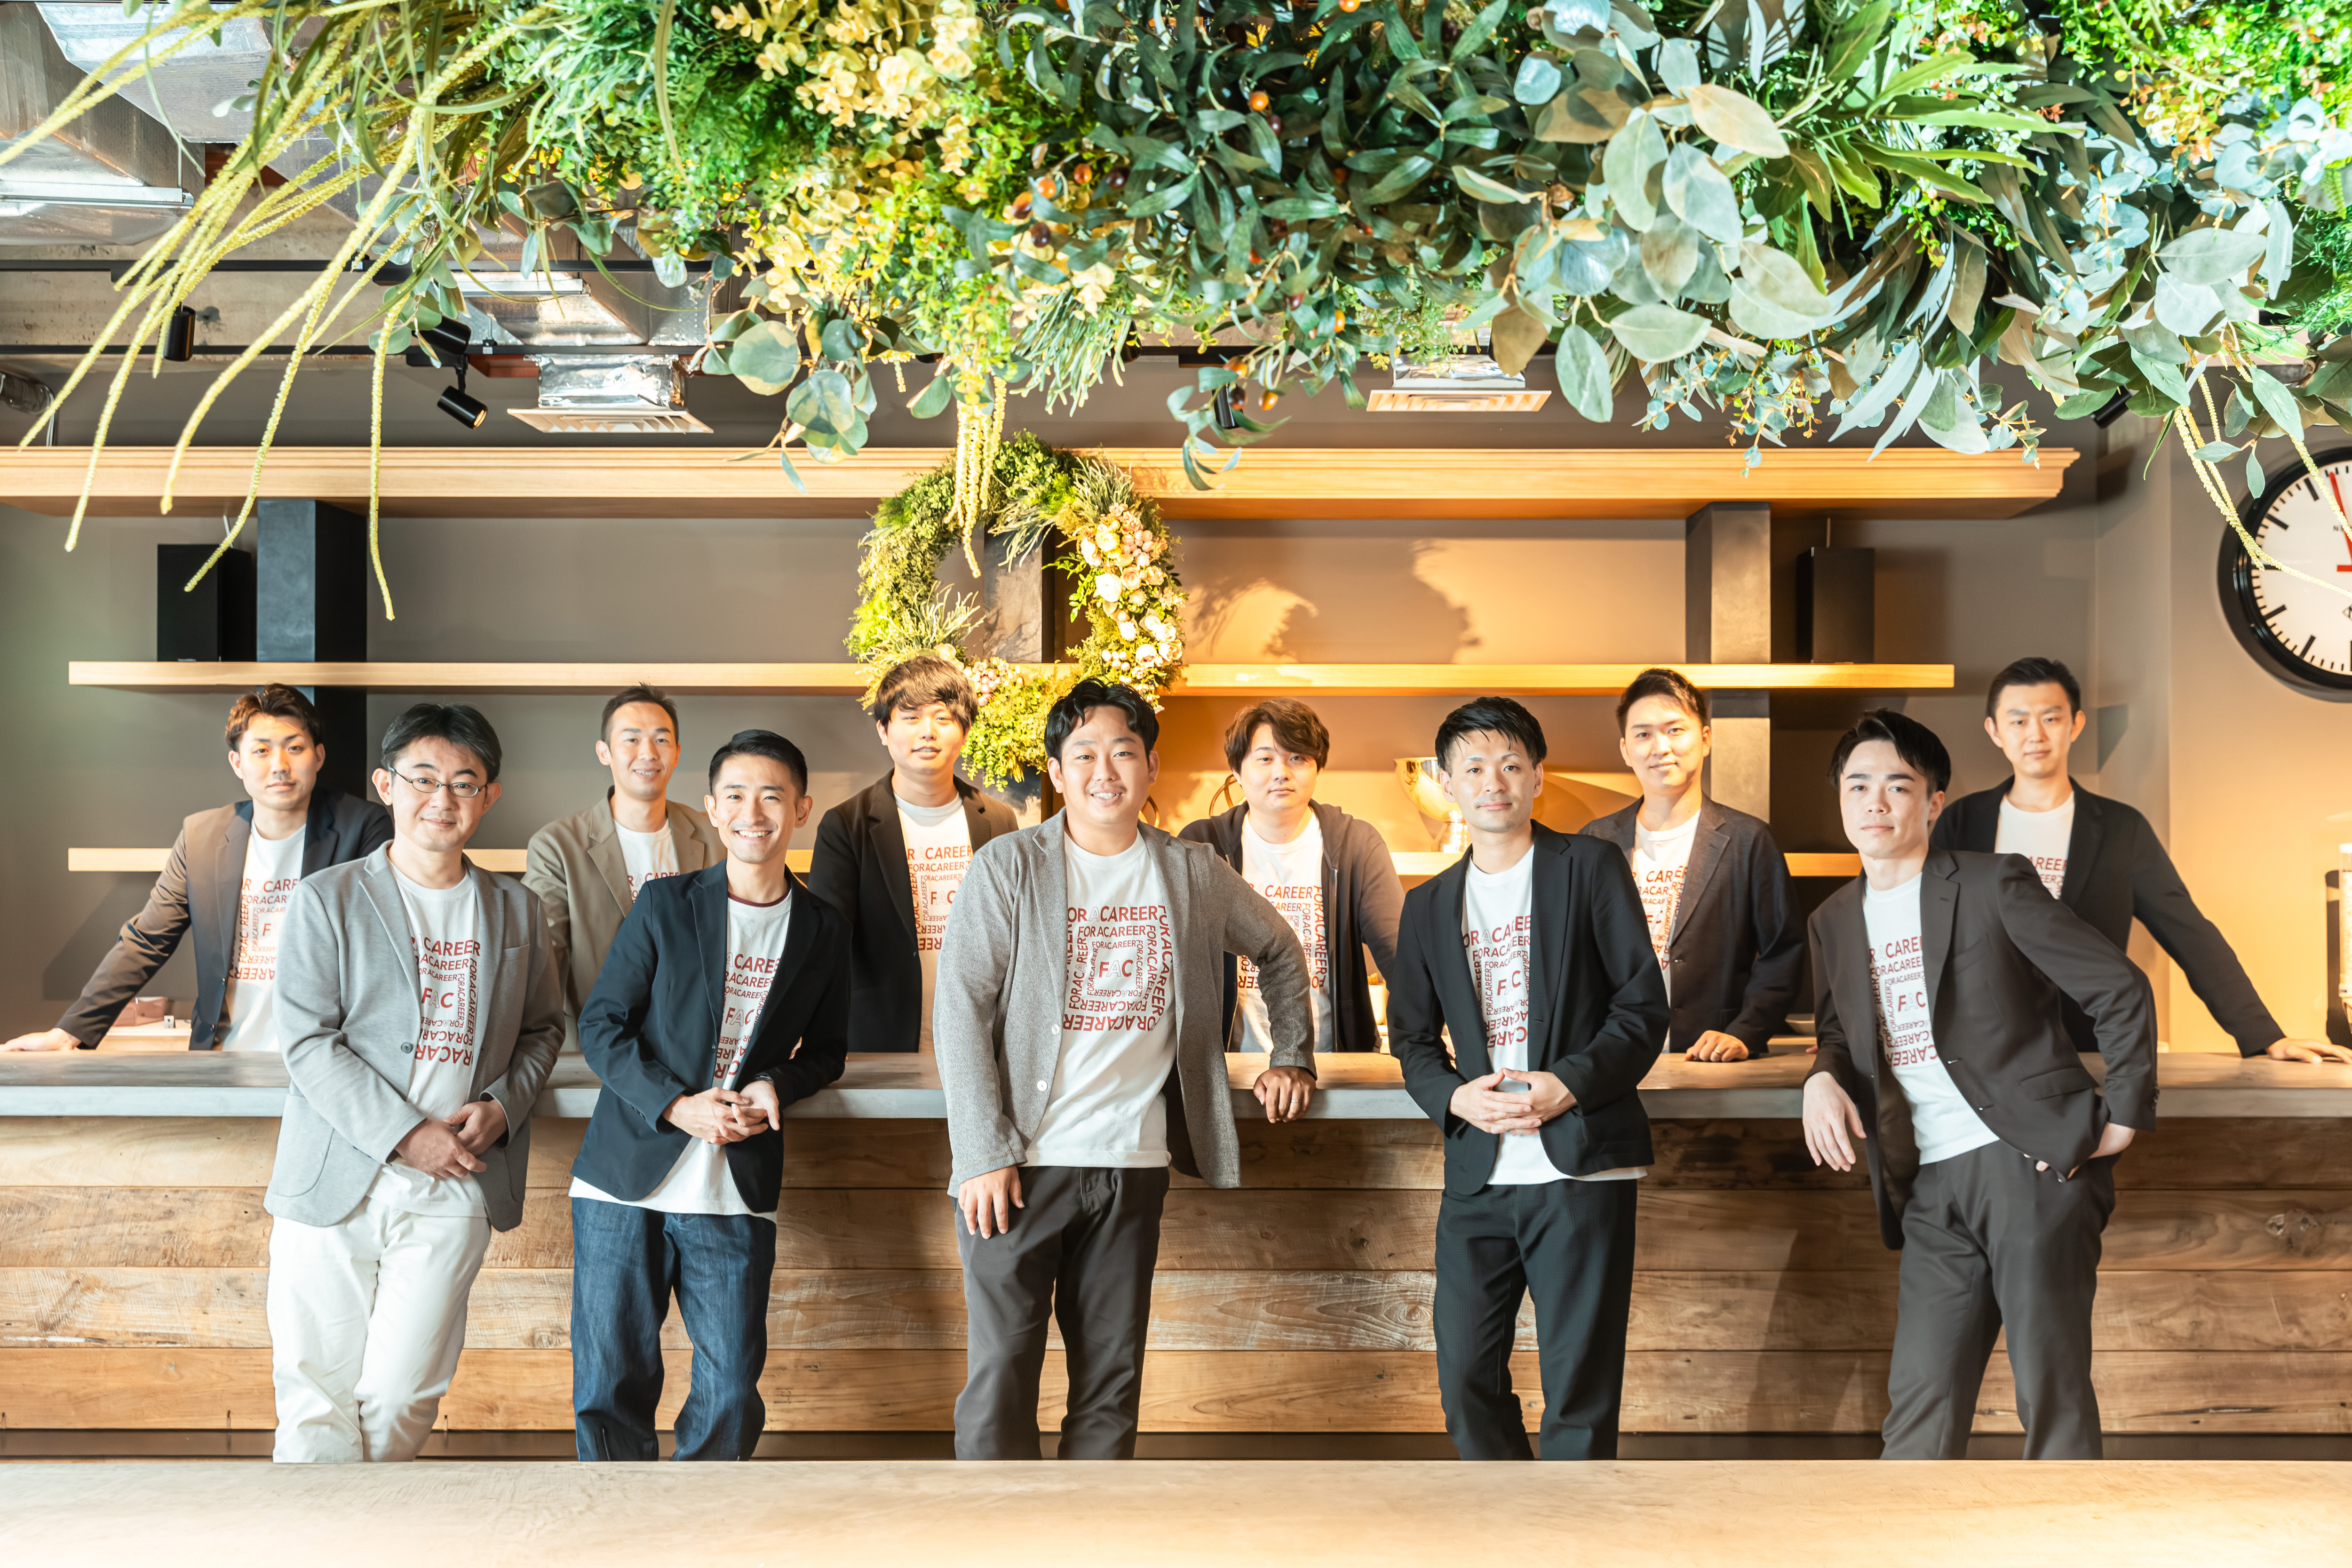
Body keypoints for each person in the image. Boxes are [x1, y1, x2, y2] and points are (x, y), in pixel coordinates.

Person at [934, 678, 1317, 1460]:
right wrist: (980, 1151)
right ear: (1056, 770)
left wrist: (1292, 1057)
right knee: (1002, 1374)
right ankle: (987, 1523)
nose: (1104, 771)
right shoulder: (1009, 866)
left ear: (1150, 767)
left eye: (1123, 751)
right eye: (1083, 754)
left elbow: (1280, 949)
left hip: (1132, 1165)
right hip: (1019, 1166)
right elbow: (961, 1007)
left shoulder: (1191, 870)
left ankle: (1091, 1525)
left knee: (1110, 1385)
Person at [1803, 709, 2155, 1461]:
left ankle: (2070, 1527)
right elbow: (1838, 1031)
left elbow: (2119, 987)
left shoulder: (1994, 884)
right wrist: (1821, 1079)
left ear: (1934, 802)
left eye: (1898, 786)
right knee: (1918, 1413)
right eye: (1857, 785)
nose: (1874, 802)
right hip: (1929, 1183)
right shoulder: (1832, 919)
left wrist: (2123, 1116)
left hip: (2029, 1164)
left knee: (2050, 1397)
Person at [262, 703, 563, 1463]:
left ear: (489, 796)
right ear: (385, 785)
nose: (443, 798)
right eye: (423, 779)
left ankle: (360, 1512)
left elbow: (543, 1029)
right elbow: (307, 1039)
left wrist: (503, 1106)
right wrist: (404, 1134)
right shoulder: (326, 897)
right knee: (315, 1391)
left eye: (465, 782)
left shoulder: (519, 908)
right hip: (336, 1176)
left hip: (456, 1184)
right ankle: (327, 1524)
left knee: (405, 1392)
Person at [1387, 696, 1668, 1461]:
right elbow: (1411, 1039)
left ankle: (1570, 1525)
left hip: (1580, 1165)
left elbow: (1642, 1008)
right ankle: (1506, 1515)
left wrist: (1568, 1083)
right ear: (1447, 782)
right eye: (1474, 767)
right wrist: (1454, 1097)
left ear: (1538, 775)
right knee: (1465, 1379)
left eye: (1511, 764)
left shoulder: (1591, 867)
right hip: (1478, 1177)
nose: (1494, 781)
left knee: (1579, 1388)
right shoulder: (1428, 905)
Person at [567, 730, 851, 1462]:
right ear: (713, 808)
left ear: (801, 810)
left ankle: (703, 1518)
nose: (753, 813)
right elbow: (602, 1025)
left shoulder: (822, 927)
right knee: (610, 1385)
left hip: (734, 1184)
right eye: (735, 796)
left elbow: (828, 1051)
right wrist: (676, 1104)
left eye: (772, 796)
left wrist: (774, 1084)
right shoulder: (666, 903)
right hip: (625, 1178)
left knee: (729, 1391)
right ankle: (615, 1517)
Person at [1931, 655, 2347, 1063]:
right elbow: (1928, 933)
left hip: (2091, 1054)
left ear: (2075, 724)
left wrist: (2266, 1036)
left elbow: (2190, 934)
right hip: (1982, 1053)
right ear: (1995, 730)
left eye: (2051, 718)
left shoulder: (2121, 829)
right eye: (2018, 721)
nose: (2035, 734)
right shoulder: (1963, 822)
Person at [4, 685, 390, 1053]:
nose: (280, 765)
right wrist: (69, 1032)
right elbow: (147, 939)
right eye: (261, 750)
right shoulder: (202, 836)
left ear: (318, 756)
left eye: (295, 748)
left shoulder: (363, 827)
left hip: (328, 1059)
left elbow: (383, 950)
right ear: (237, 763)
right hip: (224, 1058)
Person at [1579, 668, 1804, 1061]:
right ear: (1626, 750)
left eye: (1675, 730)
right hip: (1610, 1057)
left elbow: (1783, 951)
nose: (1660, 746)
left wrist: (1745, 1032)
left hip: (1709, 1059)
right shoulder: (1595, 841)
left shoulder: (1748, 840)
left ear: (1705, 739)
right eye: (1643, 734)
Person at [807, 656, 1016, 1053]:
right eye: (911, 717)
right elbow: (824, 945)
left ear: (965, 730)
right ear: (883, 730)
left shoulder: (999, 820)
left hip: (981, 1040)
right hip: (880, 1041)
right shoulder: (846, 826)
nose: (927, 732)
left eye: (943, 718)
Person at [1178, 697, 1403, 1053]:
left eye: (1297, 757)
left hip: (1333, 1066)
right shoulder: (1201, 846)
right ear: (1237, 770)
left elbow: (1403, 961)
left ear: (1318, 767)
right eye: (1265, 759)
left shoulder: (1357, 845)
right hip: (1228, 1066)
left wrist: (1425, 1045)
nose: (1282, 772)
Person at [524, 684, 725, 1050]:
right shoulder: (557, 846)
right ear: (605, 752)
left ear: (677, 752)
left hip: (696, 1047)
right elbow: (541, 959)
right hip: (599, 1048)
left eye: (662, 740)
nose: (648, 753)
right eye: (631, 739)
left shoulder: (716, 835)